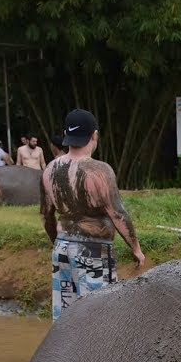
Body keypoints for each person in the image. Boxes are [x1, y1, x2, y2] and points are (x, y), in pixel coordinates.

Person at [41, 108, 145, 321]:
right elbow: (117, 214)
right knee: (99, 319)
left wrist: (58, 243)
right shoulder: (99, 170)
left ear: (66, 135)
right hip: (93, 251)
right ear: (94, 135)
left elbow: (46, 215)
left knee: (65, 320)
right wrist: (136, 249)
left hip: (61, 249)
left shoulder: (50, 169)